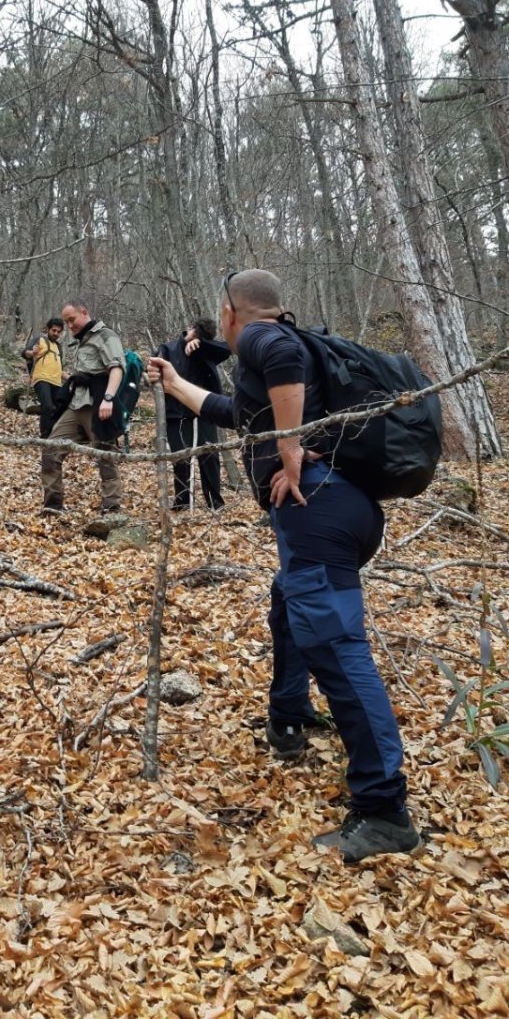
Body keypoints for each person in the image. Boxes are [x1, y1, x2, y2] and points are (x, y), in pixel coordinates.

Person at [148, 269, 420, 864]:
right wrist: (174, 385)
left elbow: (278, 358)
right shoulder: (281, 360)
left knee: (339, 649)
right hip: (342, 508)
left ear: (231, 312)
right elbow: (234, 411)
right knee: (288, 609)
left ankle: (384, 809)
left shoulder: (262, 337)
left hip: (317, 510)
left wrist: (291, 450)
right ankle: (288, 717)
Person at [41, 300, 124, 515]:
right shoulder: (81, 340)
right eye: (66, 322)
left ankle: (111, 510)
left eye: (72, 320)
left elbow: (116, 368)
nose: (69, 326)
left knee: (105, 456)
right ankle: (53, 506)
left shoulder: (106, 336)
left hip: (97, 406)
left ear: (84, 313)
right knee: (51, 450)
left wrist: (108, 398)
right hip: (76, 404)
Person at [154, 316, 229, 510]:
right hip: (175, 413)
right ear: (190, 328)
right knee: (180, 458)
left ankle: (215, 503)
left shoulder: (207, 349)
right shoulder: (168, 349)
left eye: (202, 336)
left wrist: (202, 345)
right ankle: (182, 502)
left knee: (209, 456)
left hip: (203, 411)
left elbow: (226, 350)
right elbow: (153, 372)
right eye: (196, 333)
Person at [30, 318, 64, 438]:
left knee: (59, 408)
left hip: (57, 381)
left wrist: (71, 378)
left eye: (58, 332)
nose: (56, 333)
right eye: (53, 330)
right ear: (48, 329)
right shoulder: (40, 340)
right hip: (41, 378)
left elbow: (61, 368)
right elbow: (25, 352)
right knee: (48, 406)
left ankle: (52, 434)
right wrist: (32, 352)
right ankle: (44, 435)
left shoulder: (59, 347)